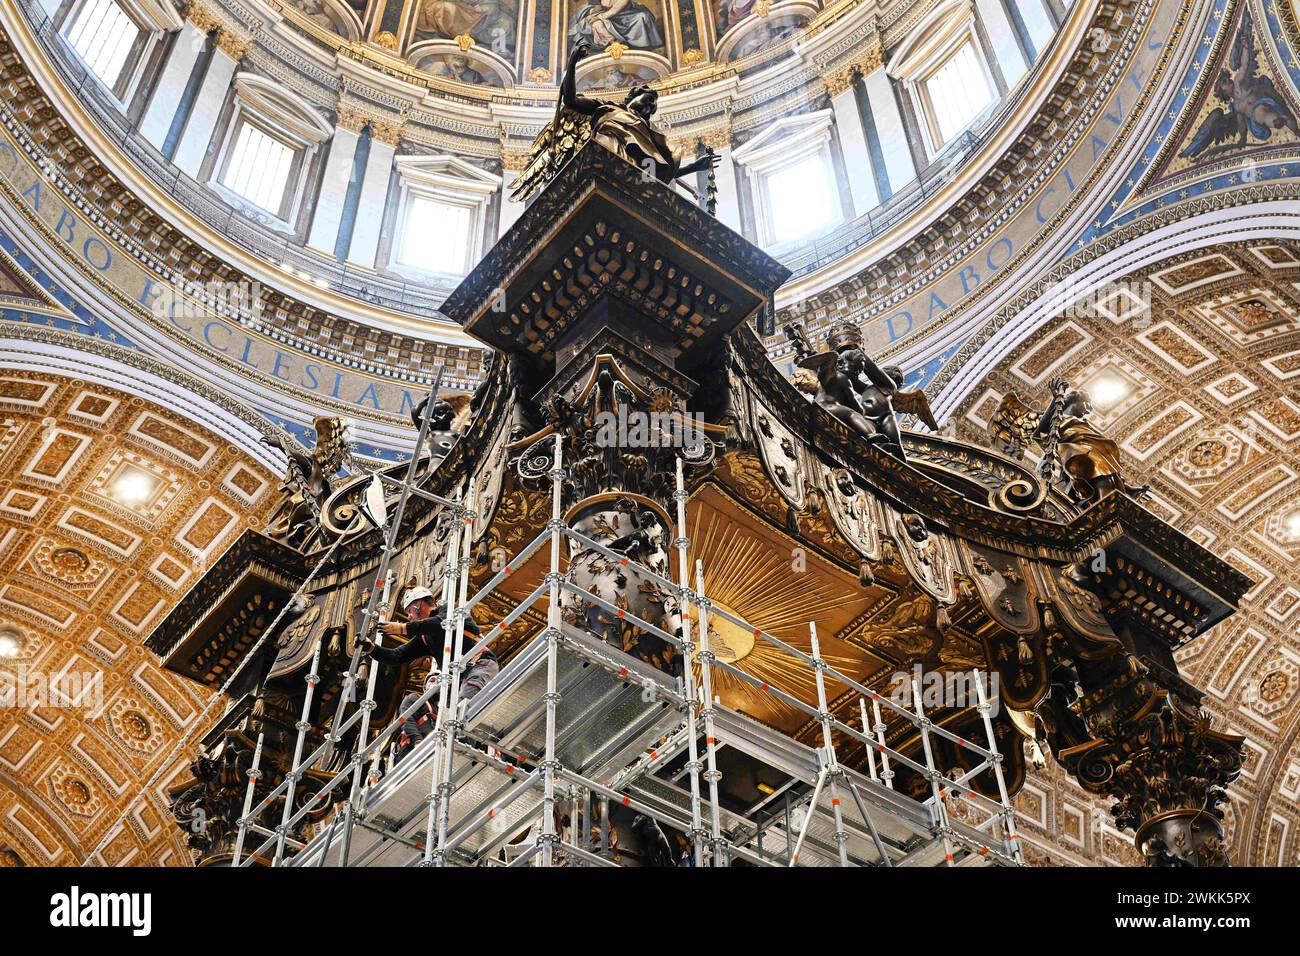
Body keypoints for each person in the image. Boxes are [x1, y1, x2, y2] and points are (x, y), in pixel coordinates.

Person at [360, 585, 498, 759]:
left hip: (479, 665)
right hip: (460, 678)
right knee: (453, 714)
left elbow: (439, 624)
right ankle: (457, 750)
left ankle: (461, 751)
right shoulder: (425, 637)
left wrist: (403, 628)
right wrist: (371, 648)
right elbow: (398, 655)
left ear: (419, 605)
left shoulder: (449, 611)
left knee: (463, 707)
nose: (409, 616)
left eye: (410, 611)